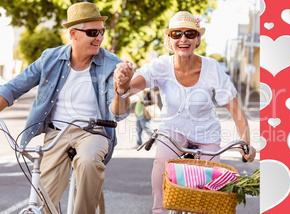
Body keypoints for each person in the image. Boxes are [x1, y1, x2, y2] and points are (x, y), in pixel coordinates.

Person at [112, 11, 257, 214]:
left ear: (197, 39)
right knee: (161, 163)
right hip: (172, 132)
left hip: (206, 134)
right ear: (169, 40)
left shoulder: (212, 68)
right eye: (176, 34)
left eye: (190, 33)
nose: (183, 39)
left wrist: (246, 143)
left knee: (211, 190)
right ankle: (159, 209)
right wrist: (123, 83)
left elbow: (237, 113)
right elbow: (129, 89)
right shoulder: (161, 66)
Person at [0, 2, 130, 213]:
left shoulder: (111, 64)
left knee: (88, 162)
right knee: (43, 203)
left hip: (93, 132)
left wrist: (121, 90)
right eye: (93, 32)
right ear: (73, 34)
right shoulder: (49, 58)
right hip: (56, 134)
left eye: (102, 31)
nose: (99, 37)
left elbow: (119, 113)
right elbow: (13, 88)